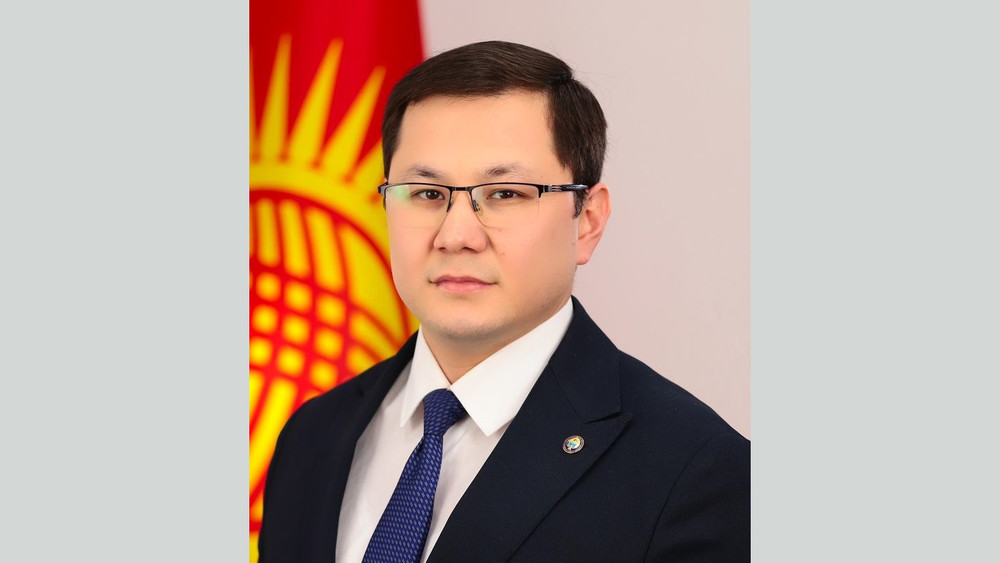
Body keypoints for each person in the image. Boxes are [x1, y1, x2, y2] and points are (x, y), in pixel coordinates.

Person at [259, 40, 750, 563]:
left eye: (505, 194)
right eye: (426, 194)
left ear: (587, 220)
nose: (456, 236)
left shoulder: (694, 472)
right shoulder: (313, 435)